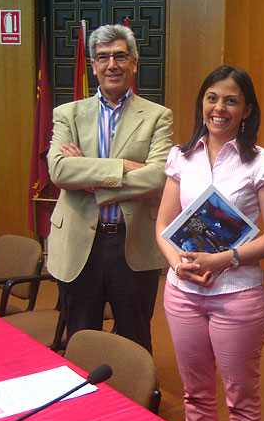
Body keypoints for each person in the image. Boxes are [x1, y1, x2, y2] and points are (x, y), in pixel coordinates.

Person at [155, 65, 264, 421]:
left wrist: (224, 260)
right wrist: (180, 265)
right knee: (196, 395)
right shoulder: (181, 156)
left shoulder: (261, 162)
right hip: (183, 294)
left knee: (241, 399)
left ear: (247, 110)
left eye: (231, 100)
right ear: (201, 103)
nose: (219, 108)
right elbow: (163, 226)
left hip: (237, 296)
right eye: (212, 98)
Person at [47, 24, 172, 353]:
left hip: (131, 245)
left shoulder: (158, 116)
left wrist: (88, 175)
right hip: (78, 242)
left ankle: (139, 401)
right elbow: (59, 171)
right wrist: (123, 167)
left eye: (120, 56)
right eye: (102, 57)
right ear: (93, 65)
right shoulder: (68, 114)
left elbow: (157, 177)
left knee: (135, 338)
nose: (111, 64)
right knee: (81, 337)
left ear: (134, 62)